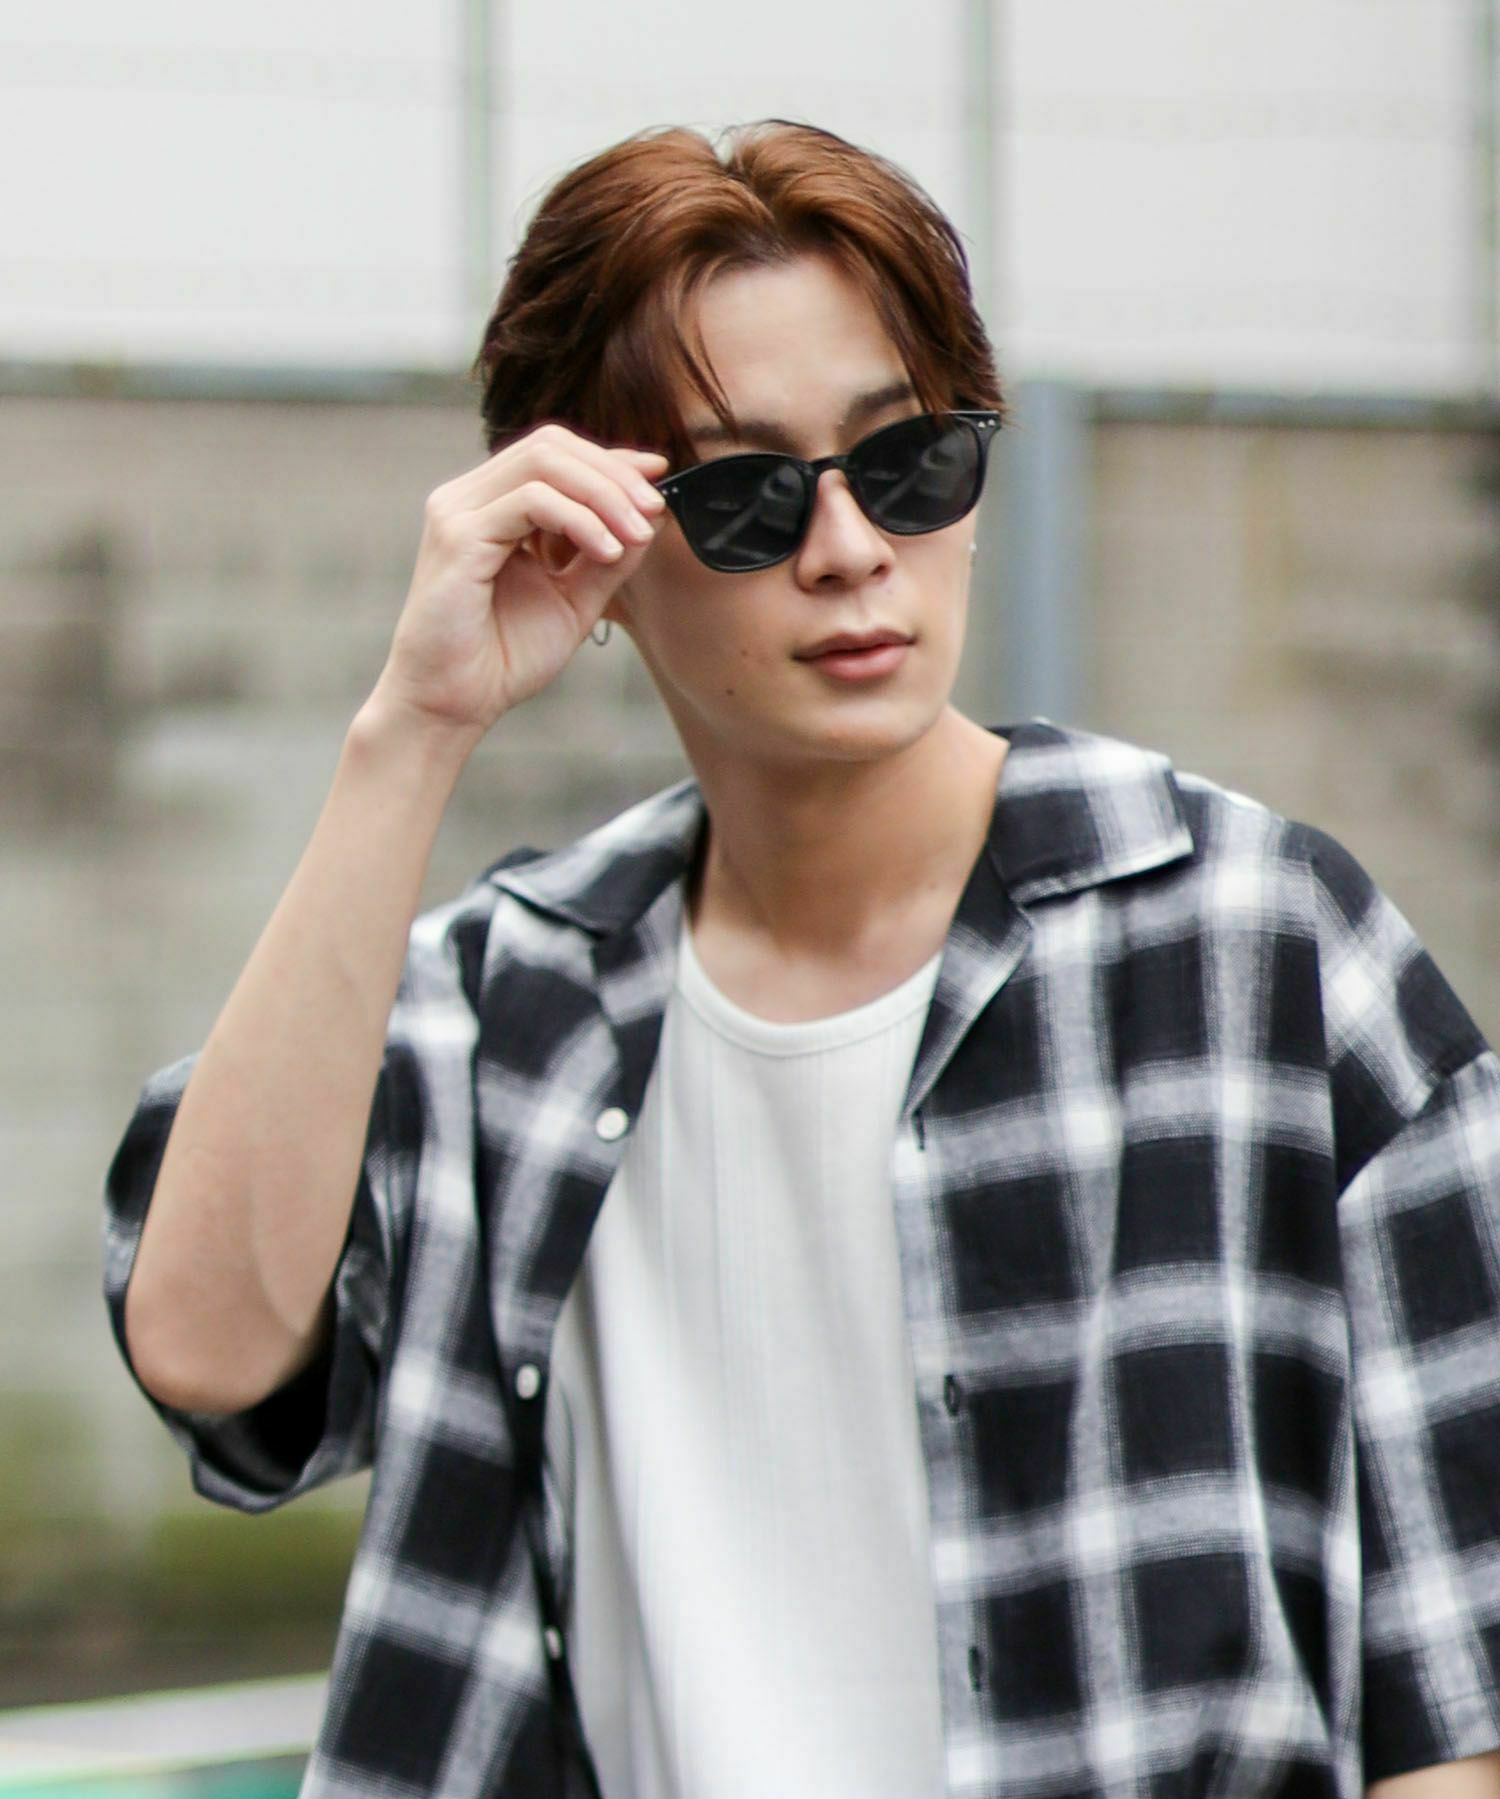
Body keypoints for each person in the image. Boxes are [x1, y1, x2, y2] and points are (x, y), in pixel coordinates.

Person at [103, 120, 1500, 1799]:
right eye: (747, 494)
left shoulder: (1259, 952)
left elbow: (1460, 1685)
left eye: (908, 461)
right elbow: (210, 1352)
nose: (849, 548)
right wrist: (412, 730)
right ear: (594, 551)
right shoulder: (506, 1010)